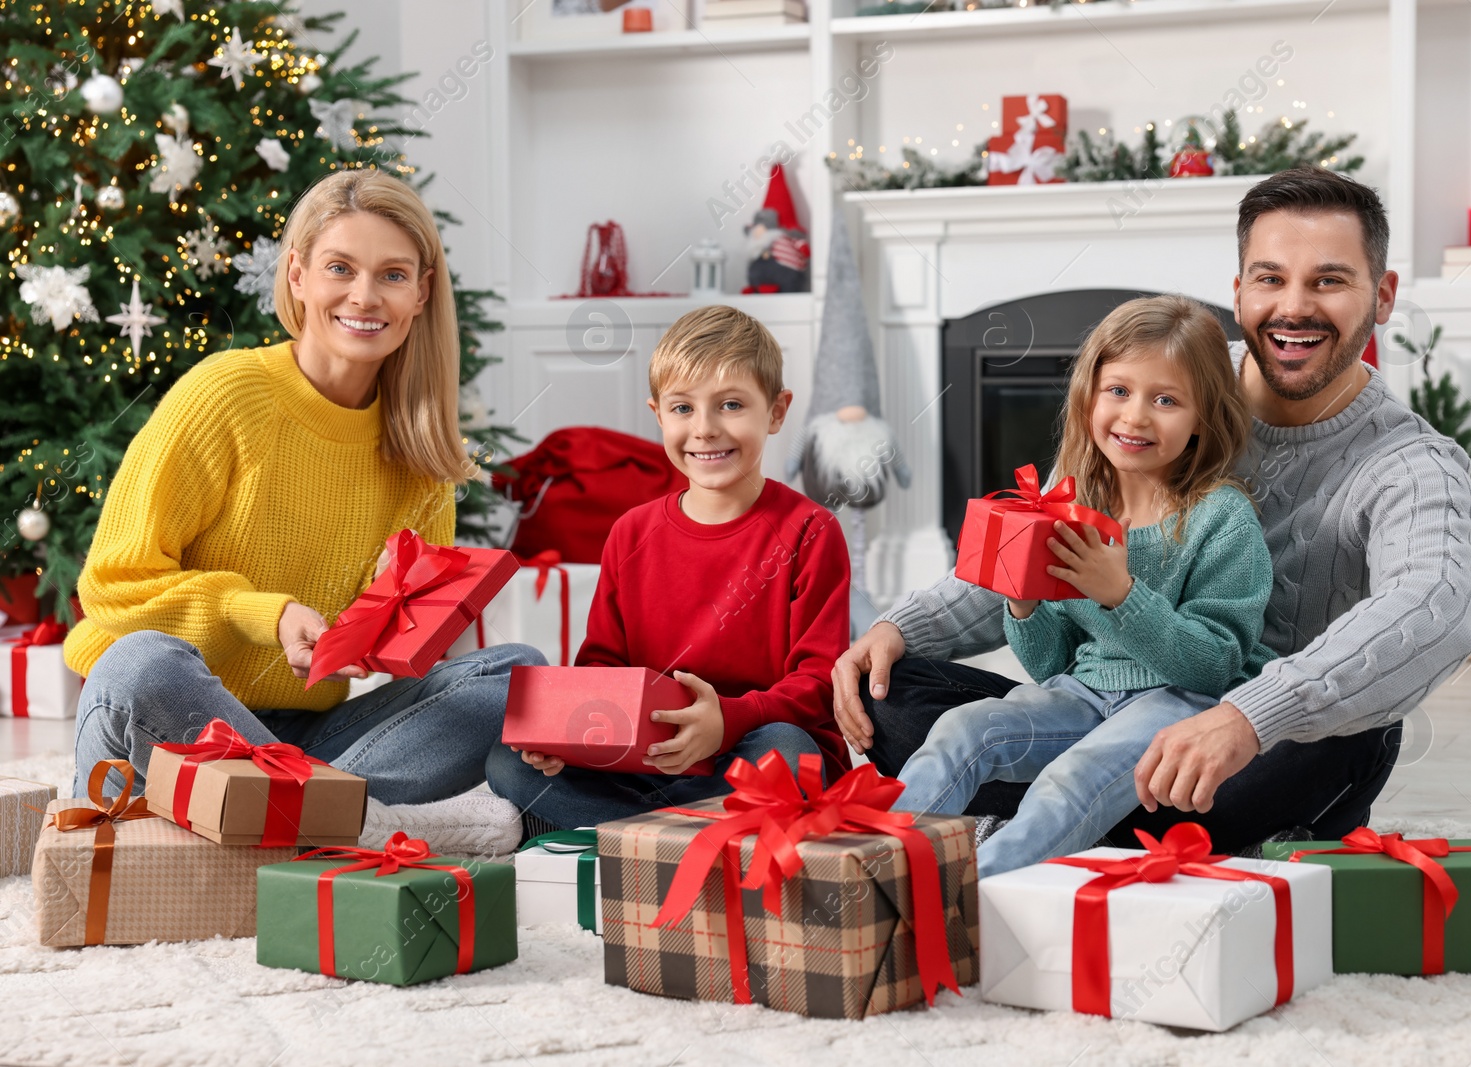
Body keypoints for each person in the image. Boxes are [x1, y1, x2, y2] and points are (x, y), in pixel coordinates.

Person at [833, 166, 1471, 854]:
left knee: (1354, 735)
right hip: (1097, 712)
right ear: (1238, 292)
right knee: (892, 689)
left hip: (1246, 744)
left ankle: (1059, 819)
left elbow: (1432, 608)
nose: (1295, 306)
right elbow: (1037, 552)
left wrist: (1248, 716)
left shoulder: (1411, 463)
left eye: (1328, 280)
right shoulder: (1157, 382)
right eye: (1270, 278)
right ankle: (1081, 818)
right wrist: (901, 627)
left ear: (1381, 296)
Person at [67, 170, 543, 830]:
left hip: (305, 741)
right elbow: (110, 589)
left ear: (421, 293)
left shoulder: (421, 455)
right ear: (298, 276)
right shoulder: (225, 397)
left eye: (393, 275)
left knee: (518, 674)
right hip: (174, 724)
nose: (364, 295)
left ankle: (311, 813)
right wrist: (265, 614)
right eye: (340, 268)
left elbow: (388, 654)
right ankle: (339, 819)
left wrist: (387, 620)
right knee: (140, 662)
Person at [892, 296, 1276, 876]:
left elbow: (1214, 666)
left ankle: (966, 899)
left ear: (1203, 415)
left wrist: (1120, 595)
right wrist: (1024, 609)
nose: (1136, 416)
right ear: (1089, 395)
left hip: (1181, 704)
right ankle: (875, 860)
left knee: (1072, 779)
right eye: (1118, 391)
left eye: (1166, 400)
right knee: (962, 728)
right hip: (1084, 693)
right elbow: (1051, 664)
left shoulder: (1221, 517)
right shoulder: (1076, 505)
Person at [486, 305, 851, 832]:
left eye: (730, 405)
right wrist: (565, 738)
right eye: (683, 408)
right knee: (505, 762)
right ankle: (686, 830)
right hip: (647, 760)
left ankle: (626, 832)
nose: (704, 429)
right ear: (659, 415)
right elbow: (602, 666)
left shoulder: (810, 530)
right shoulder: (631, 533)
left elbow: (820, 682)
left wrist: (727, 720)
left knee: (789, 754)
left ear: (775, 412)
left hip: (753, 744)